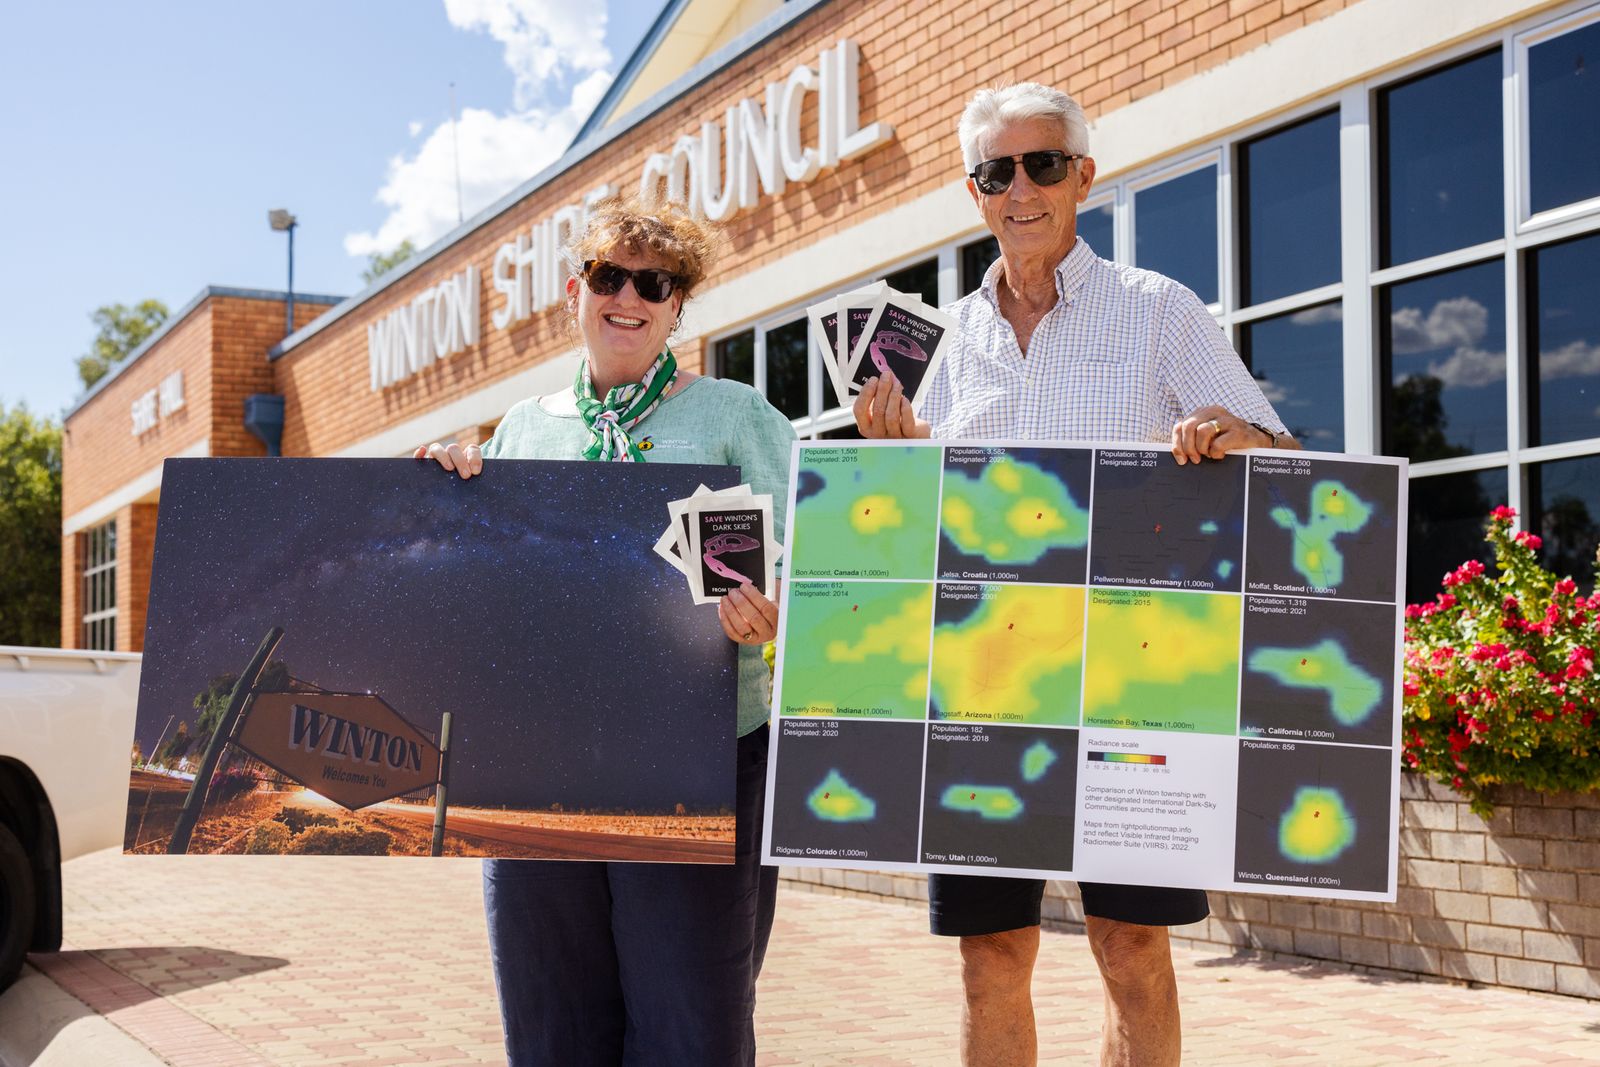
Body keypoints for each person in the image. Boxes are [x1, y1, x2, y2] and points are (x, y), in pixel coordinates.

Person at [853, 83, 1300, 1067]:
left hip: (1132, 680)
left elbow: (1283, 459)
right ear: (974, 192)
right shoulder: (941, 345)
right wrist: (893, 452)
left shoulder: (1157, 311)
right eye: (995, 171)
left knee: (1130, 946)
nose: (1020, 188)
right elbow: (910, 523)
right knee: (991, 953)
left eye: (1042, 164)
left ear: (1083, 177)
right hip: (984, 682)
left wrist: (1236, 437)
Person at [417, 195, 795, 1066]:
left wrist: (768, 613)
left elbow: (807, 569)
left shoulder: (737, 418)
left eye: (654, 283)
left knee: (689, 1025)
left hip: (694, 759)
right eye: (608, 275)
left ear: (676, 307)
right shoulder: (522, 427)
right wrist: (441, 493)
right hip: (543, 762)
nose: (628, 295)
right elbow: (486, 589)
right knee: (552, 1019)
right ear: (575, 288)